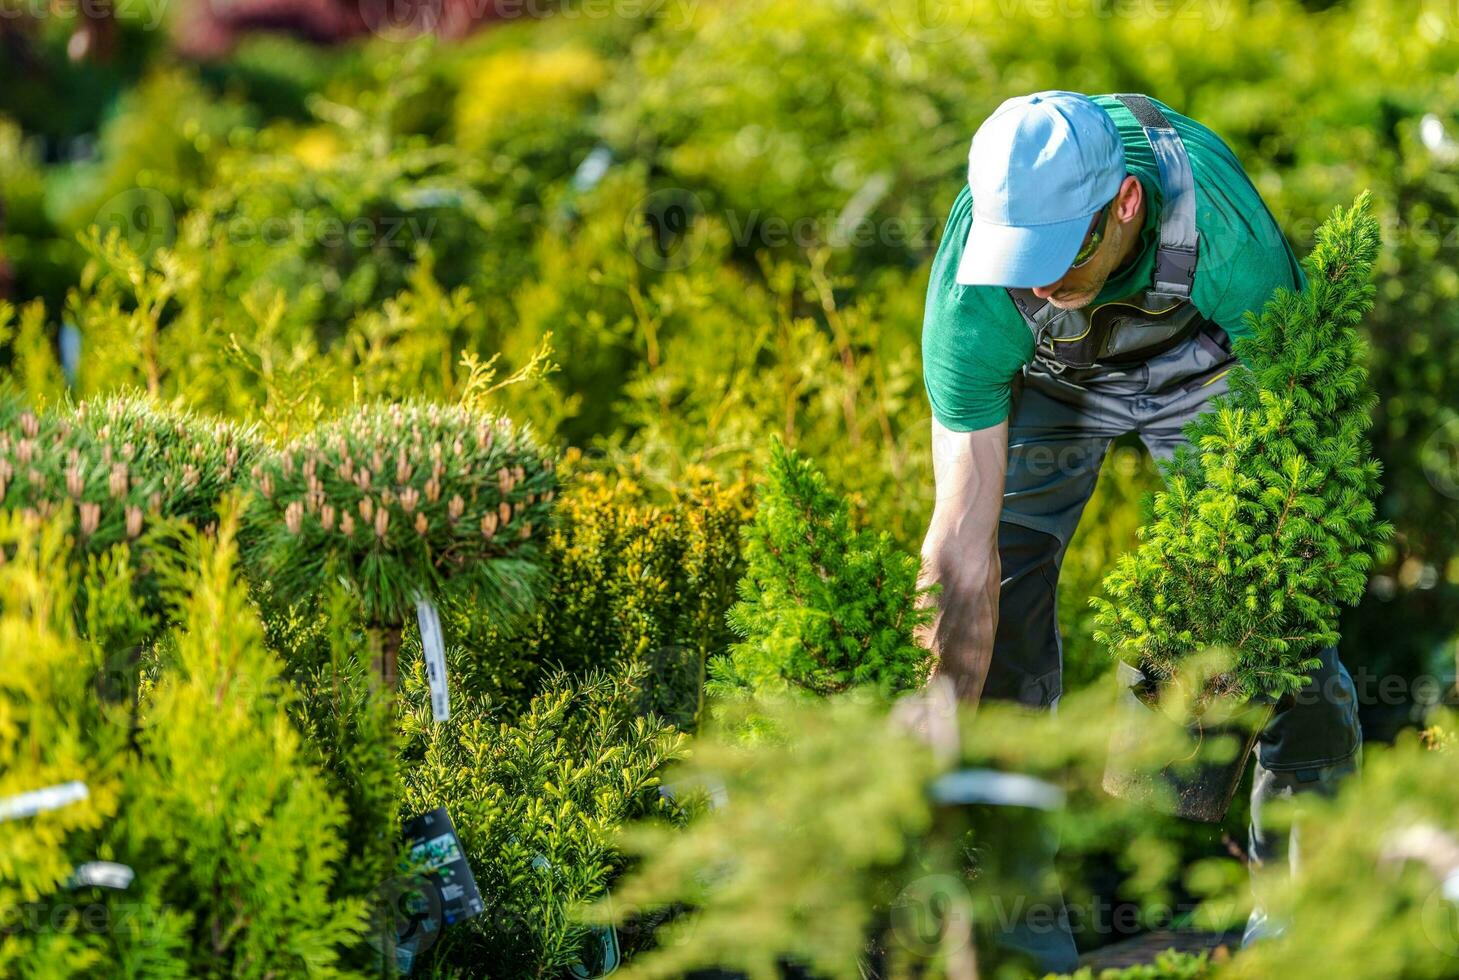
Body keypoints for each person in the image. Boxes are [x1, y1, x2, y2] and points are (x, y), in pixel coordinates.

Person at [915, 90, 1363, 972]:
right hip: (1048, 380)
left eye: (1057, 253)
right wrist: (932, 727)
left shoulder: (1231, 242)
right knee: (993, 634)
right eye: (1019, 259)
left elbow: (1290, 488)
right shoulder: (979, 298)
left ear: (1124, 202)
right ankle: (1017, 949)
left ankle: (1305, 939)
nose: (1037, 282)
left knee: (1294, 655)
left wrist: (1211, 634)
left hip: (1204, 364)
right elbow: (959, 542)